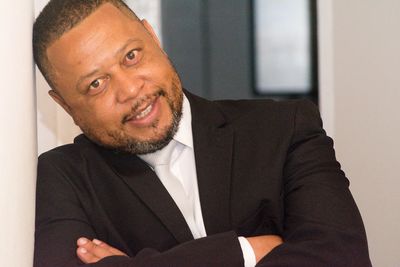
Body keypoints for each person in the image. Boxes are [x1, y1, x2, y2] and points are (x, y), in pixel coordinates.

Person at [32, 0, 371, 266]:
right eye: (96, 84)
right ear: (64, 105)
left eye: (132, 56)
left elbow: (342, 258)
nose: (131, 90)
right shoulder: (60, 178)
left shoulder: (284, 128)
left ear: (153, 37)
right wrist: (244, 252)